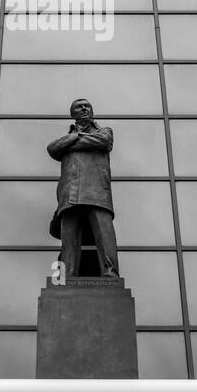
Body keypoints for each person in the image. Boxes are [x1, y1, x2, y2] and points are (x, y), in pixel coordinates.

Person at [46, 98, 118, 278]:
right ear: (73, 114)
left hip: (97, 194)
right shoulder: (67, 138)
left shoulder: (104, 131)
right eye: (80, 107)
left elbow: (104, 141)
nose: (85, 108)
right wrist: (75, 137)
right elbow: (53, 149)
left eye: (88, 106)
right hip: (70, 196)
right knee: (69, 242)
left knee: (105, 237)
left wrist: (73, 141)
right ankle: (67, 277)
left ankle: (110, 275)